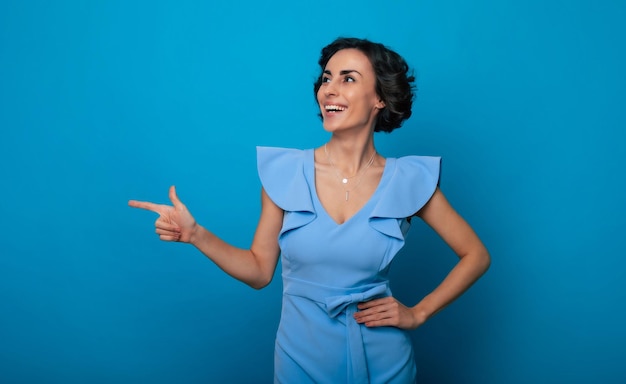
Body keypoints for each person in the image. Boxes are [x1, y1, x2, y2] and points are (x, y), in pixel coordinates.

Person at [129, 37, 490, 383]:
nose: (329, 89)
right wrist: (196, 235)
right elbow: (258, 271)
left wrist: (418, 311)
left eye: (348, 79)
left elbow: (476, 255)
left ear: (379, 97)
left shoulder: (409, 180)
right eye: (326, 78)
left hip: (385, 360)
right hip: (301, 358)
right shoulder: (285, 172)